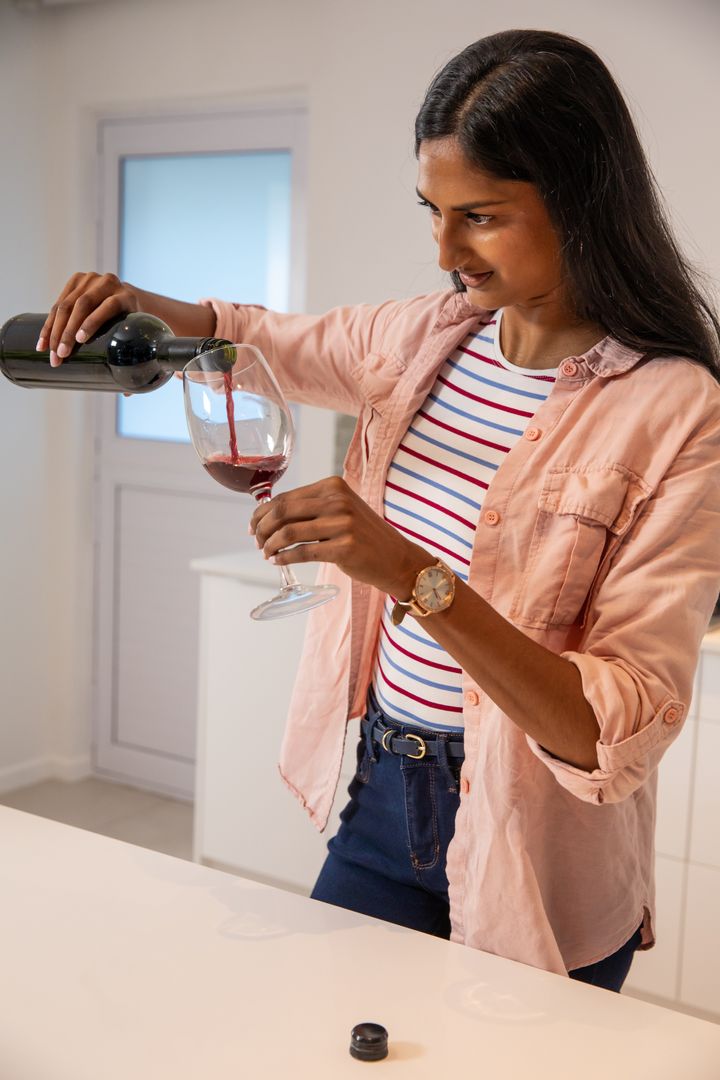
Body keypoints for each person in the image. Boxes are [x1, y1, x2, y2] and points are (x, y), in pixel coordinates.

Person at [40, 29, 720, 992]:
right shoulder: (418, 339)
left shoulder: (677, 406)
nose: (444, 250)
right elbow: (252, 337)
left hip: (543, 850)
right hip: (382, 795)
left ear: (578, 200)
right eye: (432, 211)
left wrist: (411, 576)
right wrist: (139, 302)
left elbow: (612, 731)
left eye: (479, 216)